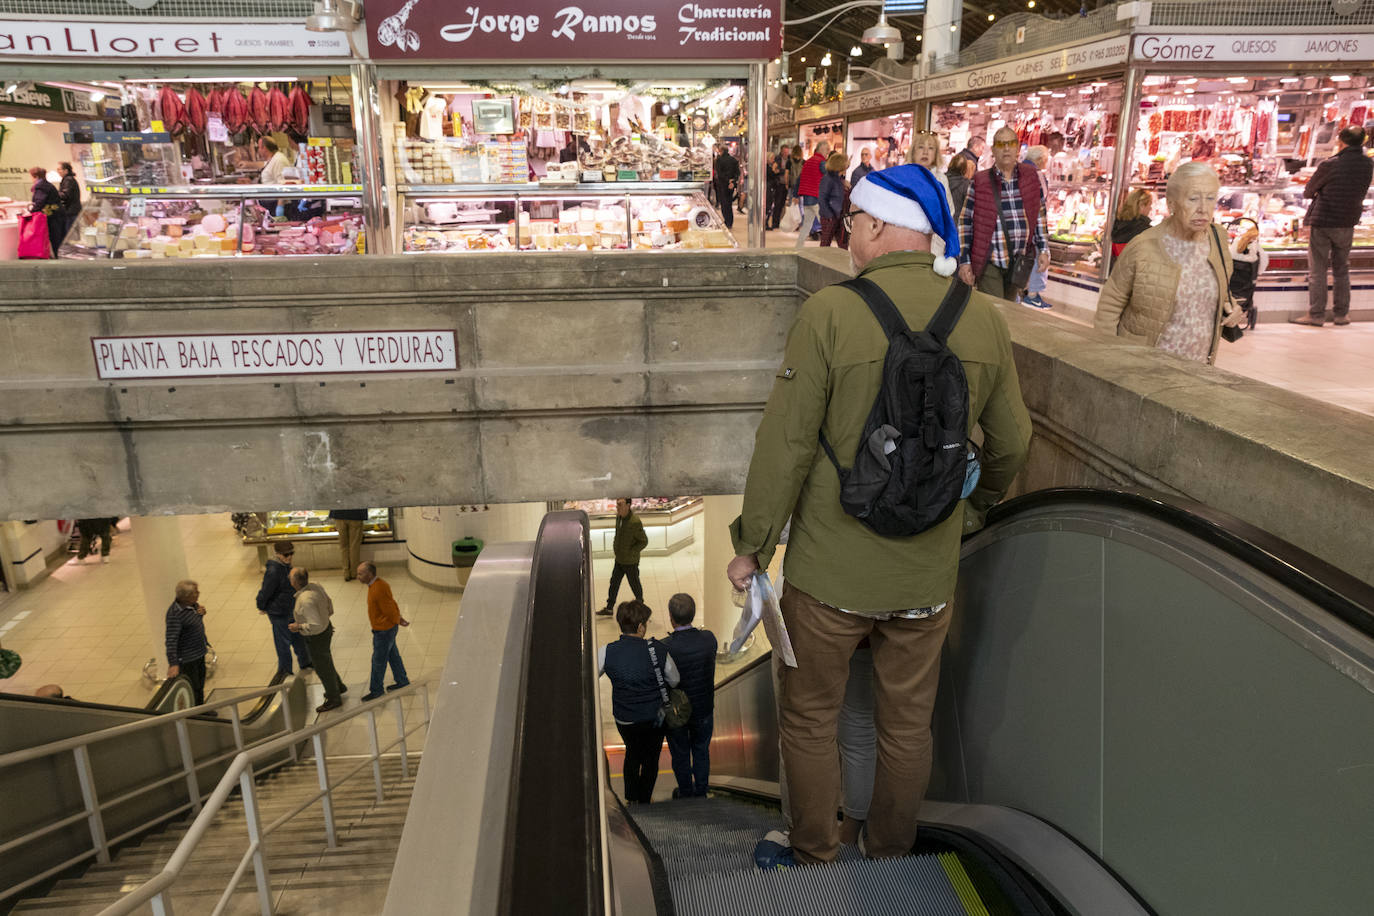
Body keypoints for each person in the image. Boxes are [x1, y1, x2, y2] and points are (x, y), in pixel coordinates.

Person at [728, 164, 1032, 867]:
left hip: (830, 575)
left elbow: (787, 445)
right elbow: (1014, 443)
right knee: (907, 726)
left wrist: (752, 545)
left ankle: (814, 853)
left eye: (854, 223)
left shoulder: (831, 313)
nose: (847, 235)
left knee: (809, 717)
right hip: (926, 577)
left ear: (877, 226)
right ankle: (890, 852)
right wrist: (970, 515)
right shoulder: (981, 316)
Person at [1095, 162, 1244, 364]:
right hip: (1144, 366)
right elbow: (1110, 304)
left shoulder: (1218, 239)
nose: (1203, 209)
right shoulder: (1143, 245)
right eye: (1193, 199)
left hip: (1198, 365)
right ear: (1171, 204)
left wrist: (1231, 306)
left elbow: (1217, 289)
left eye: (1210, 198)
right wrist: (1106, 357)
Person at [597, 599, 680, 804]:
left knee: (632, 754)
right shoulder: (658, 649)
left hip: (626, 719)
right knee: (651, 758)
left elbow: (590, 675)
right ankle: (644, 799)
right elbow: (675, 679)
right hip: (655, 718)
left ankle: (631, 799)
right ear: (641, 627)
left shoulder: (607, 651)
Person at [956, 127, 1050, 302]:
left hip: (1019, 261)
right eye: (1000, 144)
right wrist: (964, 260)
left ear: (1017, 148)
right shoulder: (980, 181)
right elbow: (965, 222)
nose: (1006, 148)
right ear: (993, 150)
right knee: (996, 310)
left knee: (1010, 310)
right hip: (989, 260)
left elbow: (1040, 214)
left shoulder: (1031, 176)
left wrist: (1043, 249)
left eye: (1011, 143)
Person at [1294, 125, 1373, 326]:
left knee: (1318, 270)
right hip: (1347, 222)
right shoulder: (1368, 164)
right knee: (1342, 269)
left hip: (1324, 221)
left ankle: (1316, 315)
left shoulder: (1330, 164)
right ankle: (1341, 314)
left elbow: (1308, 191)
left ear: (1341, 141)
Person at [661, 593, 717, 798]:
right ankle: (701, 790)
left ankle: (685, 791)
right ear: (693, 614)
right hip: (703, 708)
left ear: (671, 617)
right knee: (701, 749)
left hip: (677, 713)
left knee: (680, 753)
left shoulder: (665, 647)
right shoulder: (709, 639)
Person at [287, 567, 348, 713]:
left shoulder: (305, 600)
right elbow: (329, 604)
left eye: (290, 577)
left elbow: (315, 625)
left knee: (322, 667)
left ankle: (334, 698)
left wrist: (298, 626)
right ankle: (338, 687)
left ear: (295, 582)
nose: (289, 578)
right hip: (326, 629)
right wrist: (325, 617)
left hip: (317, 637)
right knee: (326, 661)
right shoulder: (316, 586)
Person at [256, 541, 312, 678]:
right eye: (286, 555)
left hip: (290, 609)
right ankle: (285, 670)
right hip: (279, 612)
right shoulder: (274, 570)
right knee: (283, 642)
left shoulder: (285, 566)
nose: (289, 557)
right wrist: (261, 606)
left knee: (298, 637)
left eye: (291, 553)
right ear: (277, 554)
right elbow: (266, 591)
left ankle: (305, 662)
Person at [357, 560, 410, 701]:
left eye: (360, 574)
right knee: (393, 656)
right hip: (387, 629)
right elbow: (391, 604)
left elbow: (389, 608)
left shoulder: (378, 588)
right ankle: (402, 680)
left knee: (378, 661)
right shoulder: (378, 585)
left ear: (369, 574)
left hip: (384, 631)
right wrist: (398, 619)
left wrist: (399, 619)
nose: (358, 576)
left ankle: (376, 690)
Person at [598, 498, 648, 616]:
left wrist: (631, 552)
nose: (617, 507)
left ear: (628, 505)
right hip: (619, 559)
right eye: (617, 505)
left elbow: (643, 541)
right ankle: (609, 608)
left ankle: (641, 608)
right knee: (614, 583)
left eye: (620, 505)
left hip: (630, 561)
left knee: (635, 584)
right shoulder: (619, 518)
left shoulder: (634, 522)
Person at [165, 580, 210, 706]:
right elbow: (171, 640)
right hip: (188, 659)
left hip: (199, 653)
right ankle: (196, 714)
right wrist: (173, 663)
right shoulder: (175, 614)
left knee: (200, 684)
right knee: (193, 687)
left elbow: (192, 622)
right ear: (186, 597)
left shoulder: (193, 605)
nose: (198, 594)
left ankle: (202, 708)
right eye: (196, 592)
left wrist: (201, 614)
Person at [911, 131, 955, 258]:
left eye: (931, 148)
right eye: (921, 147)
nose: (925, 152)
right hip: (906, 244)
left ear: (935, 154)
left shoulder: (941, 180)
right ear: (913, 151)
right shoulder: (902, 177)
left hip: (934, 248)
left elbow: (949, 213)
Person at [1020, 145, 1053, 309]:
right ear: (1041, 160)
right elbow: (1041, 201)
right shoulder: (1037, 175)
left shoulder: (1017, 170)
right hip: (1032, 223)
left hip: (1016, 226)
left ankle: (1019, 293)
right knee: (1040, 254)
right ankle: (1032, 294)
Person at [1230, 220, 1268, 331]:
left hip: (1231, 287)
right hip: (1247, 287)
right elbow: (1262, 266)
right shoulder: (1257, 250)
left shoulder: (1233, 247)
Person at [795, 142, 828, 248]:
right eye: (826, 149)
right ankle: (825, 247)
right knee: (826, 225)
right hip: (816, 197)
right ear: (821, 150)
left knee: (807, 225)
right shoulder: (821, 162)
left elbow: (799, 179)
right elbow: (828, 177)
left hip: (807, 198)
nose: (827, 152)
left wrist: (795, 195)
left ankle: (798, 247)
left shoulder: (808, 161)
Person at [1110, 189, 1154, 267]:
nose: (1151, 209)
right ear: (1141, 206)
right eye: (1149, 205)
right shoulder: (1145, 231)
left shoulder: (1115, 224)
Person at [818, 152, 850, 249]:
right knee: (825, 243)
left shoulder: (839, 179)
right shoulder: (828, 179)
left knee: (843, 244)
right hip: (831, 216)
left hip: (840, 216)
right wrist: (829, 216)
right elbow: (822, 199)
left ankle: (842, 262)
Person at [28, 166, 61, 258]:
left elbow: (39, 202)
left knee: (54, 239)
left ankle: (57, 259)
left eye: (31, 176)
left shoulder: (40, 186)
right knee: (56, 239)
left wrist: (31, 211)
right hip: (55, 215)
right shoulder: (47, 184)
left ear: (36, 176)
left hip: (51, 217)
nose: (31, 179)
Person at [328, 509, 367, 581]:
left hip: (339, 514)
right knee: (354, 546)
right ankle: (354, 573)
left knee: (343, 546)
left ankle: (346, 573)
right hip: (356, 514)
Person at [713, 143, 741, 230]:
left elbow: (719, 173)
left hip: (722, 184)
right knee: (729, 203)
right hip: (731, 184)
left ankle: (727, 221)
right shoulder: (734, 160)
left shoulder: (719, 160)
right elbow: (738, 173)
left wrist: (727, 180)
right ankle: (730, 221)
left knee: (724, 204)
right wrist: (733, 181)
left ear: (721, 151)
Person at [57, 161, 82, 247]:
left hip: (70, 212)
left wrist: (54, 194)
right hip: (72, 211)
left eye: (59, 169)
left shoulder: (68, 180)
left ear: (66, 170)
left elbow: (65, 195)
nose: (58, 171)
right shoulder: (68, 180)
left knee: (70, 237)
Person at [945, 153, 975, 219]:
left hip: (942, 221)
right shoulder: (967, 184)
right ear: (965, 168)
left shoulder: (941, 179)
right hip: (958, 222)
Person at [767, 146, 790, 230]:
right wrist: (784, 171)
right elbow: (775, 170)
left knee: (782, 204)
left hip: (786, 184)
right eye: (784, 152)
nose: (786, 154)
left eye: (787, 152)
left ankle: (779, 221)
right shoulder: (777, 158)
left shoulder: (789, 159)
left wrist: (781, 171)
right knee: (777, 203)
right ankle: (775, 222)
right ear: (781, 151)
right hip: (778, 184)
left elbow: (779, 170)